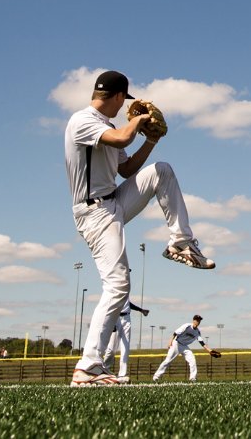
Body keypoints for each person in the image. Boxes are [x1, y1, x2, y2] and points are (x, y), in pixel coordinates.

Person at [66, 70, 215, 386]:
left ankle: (180, 242)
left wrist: (150, 140)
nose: (126, 109)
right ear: (119, 97)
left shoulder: (108, 126)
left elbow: (127, 169)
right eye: (126, 102)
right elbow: (122, 137)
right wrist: (139, 120)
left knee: (161, 171)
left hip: (114, 200)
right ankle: (88, 366)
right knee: (118, 285)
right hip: (94, 212)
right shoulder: (82, 121)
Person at [153, 314, 216, 382]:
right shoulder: (187, 326)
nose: (198, 322)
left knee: (192, 360)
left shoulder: (197, 332)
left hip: (184, 346)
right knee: (168, 360)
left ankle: (193, 378)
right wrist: (170, 342)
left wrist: (210, 350)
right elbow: (175, 333)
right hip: (176, 343)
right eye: (197, 320)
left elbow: (202, 343)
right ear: (193, 320)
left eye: (199, 320)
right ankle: (156, 377)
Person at [101, 301, 150, 376]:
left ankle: (122, 374)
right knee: (111, 349)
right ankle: (104, 370)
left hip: (127, 318)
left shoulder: (125, 291)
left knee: (125, 347)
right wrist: (112, 321)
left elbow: (127, 303)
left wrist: (141, 310)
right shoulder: (114, 291)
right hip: (116, 317)